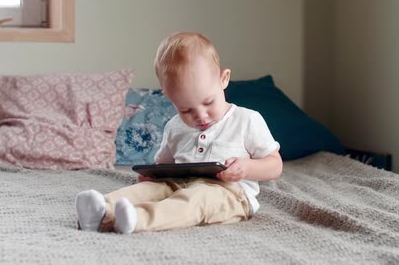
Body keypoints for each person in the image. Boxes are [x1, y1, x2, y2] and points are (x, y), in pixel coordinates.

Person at [75, 32, 282, 234]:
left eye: (208, 102)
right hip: (177, 183)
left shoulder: (247, 120)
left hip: (229, 194)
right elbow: (165, 165)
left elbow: (275, 165)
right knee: (149, 191)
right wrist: (152, 176)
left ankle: (138, 219)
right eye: (186, 109)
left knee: (196, 200)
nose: (201, 116)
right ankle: (102, 210)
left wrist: (246, 168)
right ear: (169, 97)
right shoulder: (175, 126)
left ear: (224, 79)